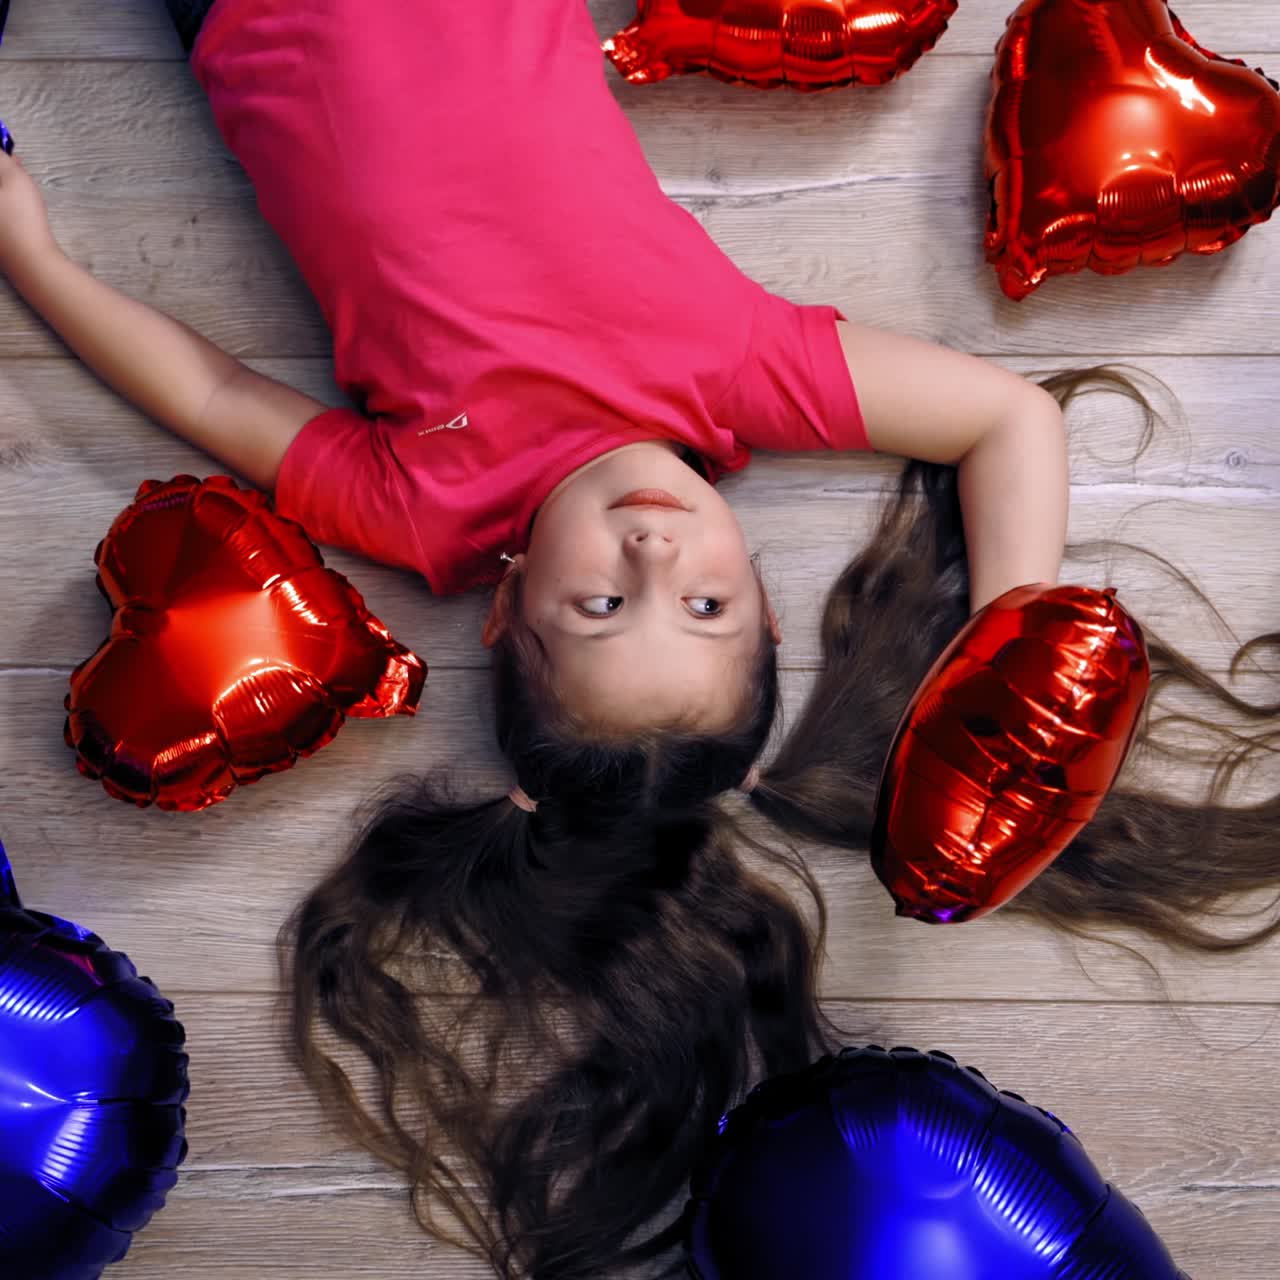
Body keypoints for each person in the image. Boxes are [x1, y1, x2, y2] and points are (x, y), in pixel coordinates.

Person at [0, 2, 1275, 1275]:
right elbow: (1006, 421)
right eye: (707, 607)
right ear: (762, 592)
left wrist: (38, 260)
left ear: (504, 607)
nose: (655, 554)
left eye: (600, 606)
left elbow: (214, 390)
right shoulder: (737, 374)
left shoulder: (425, 504)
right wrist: (1001, 668)